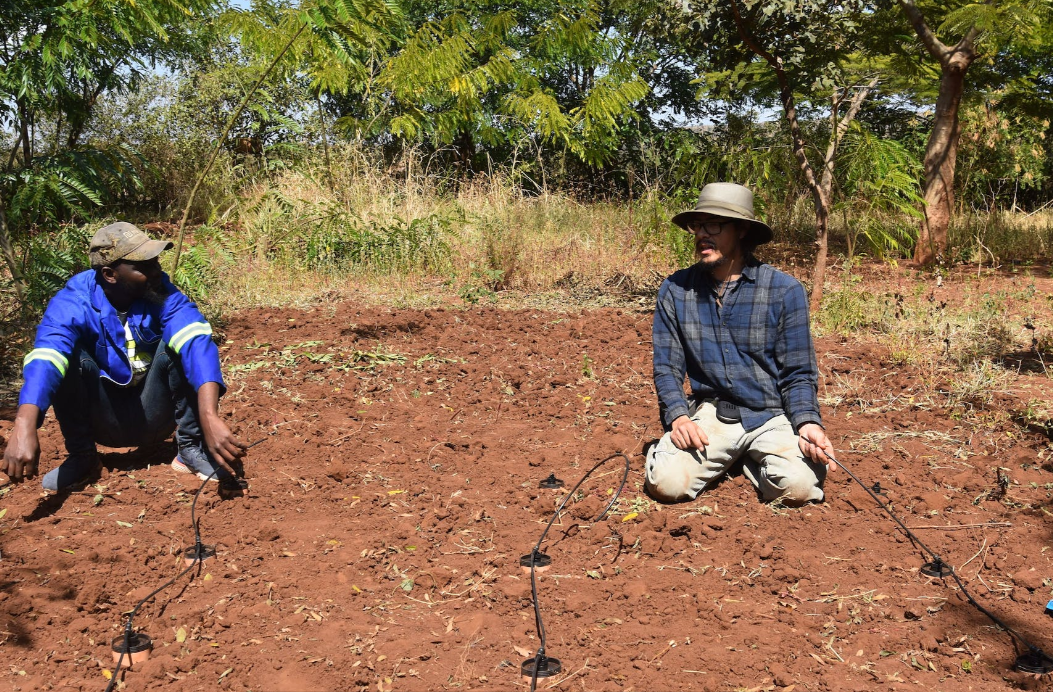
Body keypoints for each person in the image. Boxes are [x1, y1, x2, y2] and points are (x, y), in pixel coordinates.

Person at [1, 222, 246, 491]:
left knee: (182, 342)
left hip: (154, 412)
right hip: (104, 418)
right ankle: (83, 457)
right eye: (144, 266)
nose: (157, 271)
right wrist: (25, 423)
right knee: (65, 358)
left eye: (155, 262)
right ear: (109, 273)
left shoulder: (162, 292)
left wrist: (209, 415)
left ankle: (189, 448)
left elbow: (196, 342)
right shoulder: (73, 300)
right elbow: (47, 357)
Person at [646, 182, 835, 506]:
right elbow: (667, 367)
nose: (703, 233)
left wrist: (807, 423)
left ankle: (747, 459)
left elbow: (798, 373)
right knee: (666, 483)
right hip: (713, 415)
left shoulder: (784, 291)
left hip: (771, 416)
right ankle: (726, 455)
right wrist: (678, 417)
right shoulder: (676, 290)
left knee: (799, 488)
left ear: (743, 230)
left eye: (714, 224)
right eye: (698, 224)